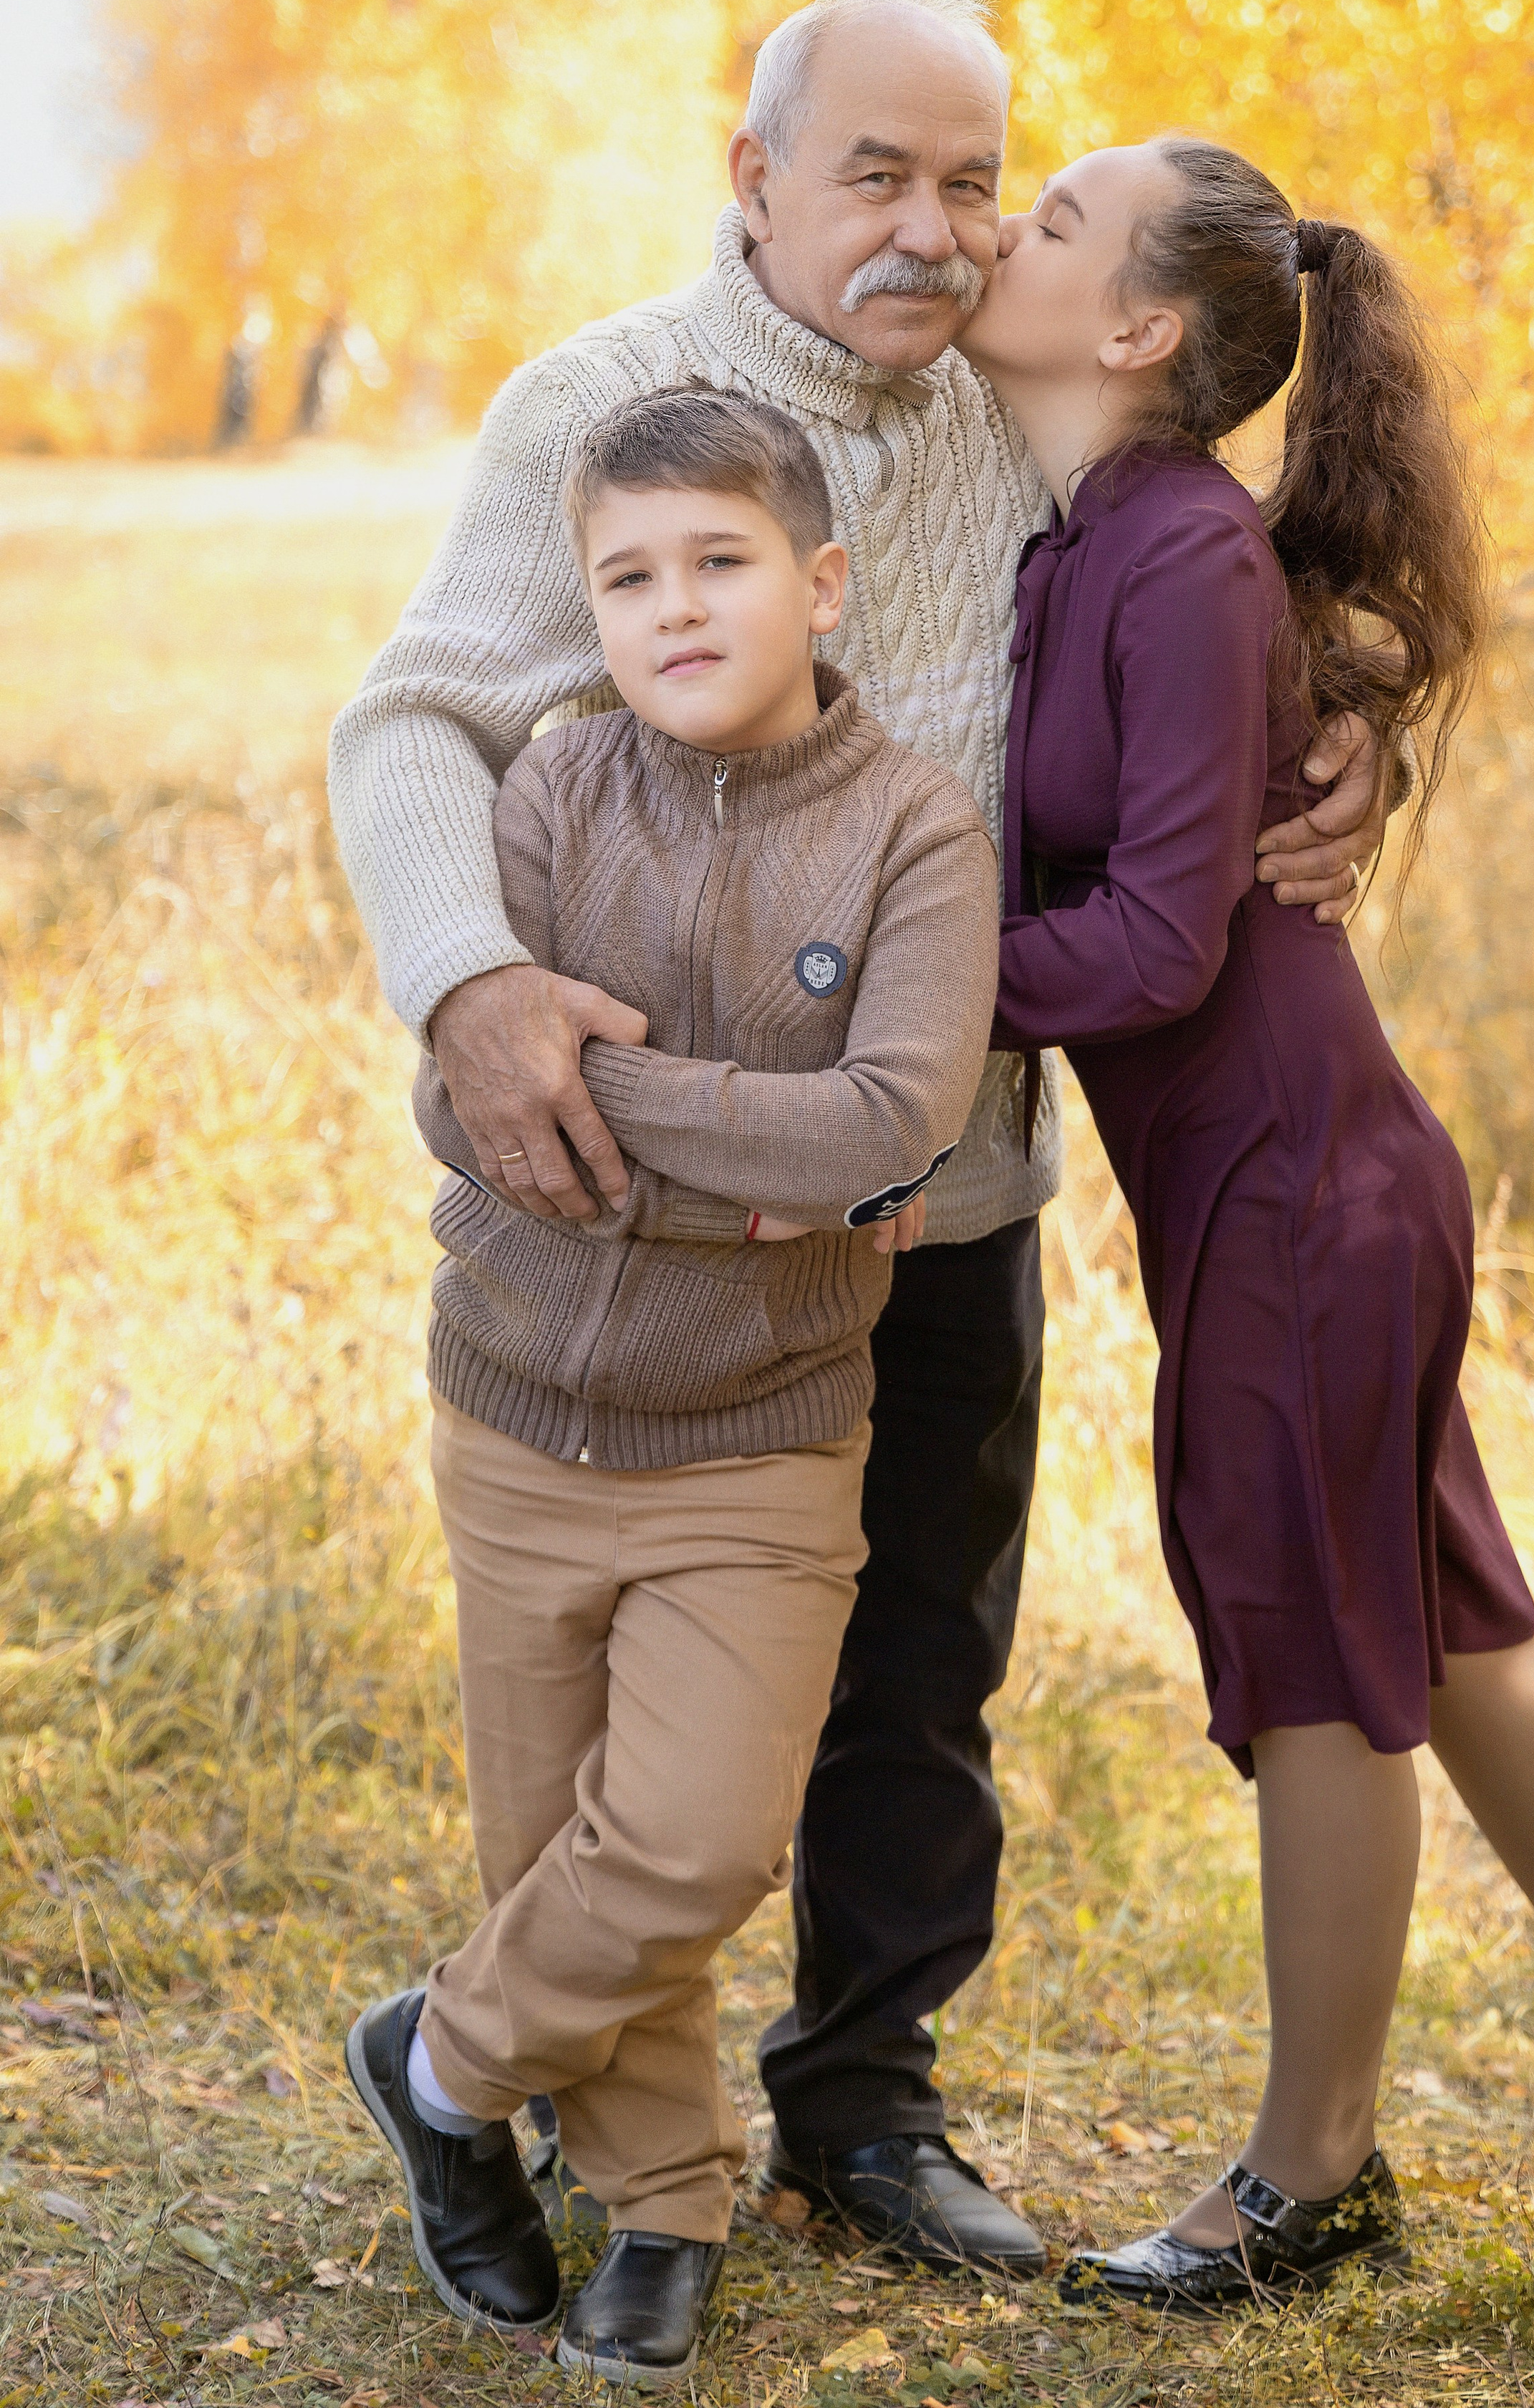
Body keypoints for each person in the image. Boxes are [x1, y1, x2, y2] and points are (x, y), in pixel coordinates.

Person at [328, 0, 1394, 2272]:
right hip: (668, 1215)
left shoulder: (1024, 406)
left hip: (948, 1180)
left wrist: (1353, 728)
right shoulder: (603, 408)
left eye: (976, 184)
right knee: (631, 1725)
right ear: (756, 177)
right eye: (878, 176)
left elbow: (1227, 595)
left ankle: (866, 2106)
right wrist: (474, 985)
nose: (935, 230)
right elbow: (414, 719)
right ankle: (605, 2127)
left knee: (919, 1670)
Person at [960, 136, 1534, 2307]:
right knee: (1444, 1611)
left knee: (1321, 1665)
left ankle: (1311, 2171)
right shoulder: (1099, 532)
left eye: (1054, 220)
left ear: (1140, 328)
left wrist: (895, 988)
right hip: (1294, 1174)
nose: (1006, 231)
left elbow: (1159, 943)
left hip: (1301, 1188)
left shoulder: (1172, 550)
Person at [344, 388, 999, 2382]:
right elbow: (462, 1113)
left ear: (822, 583)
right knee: (554, 1848)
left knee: (693, 1843)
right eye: (630, 578)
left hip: (757, 1440)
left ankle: (438, 2066)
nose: (677, 607)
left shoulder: (915, 831)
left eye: (720, 561)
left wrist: (599, 1087)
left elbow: (889, 1124)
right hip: (512, 1411)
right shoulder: (550, 795)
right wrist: (751, 1159)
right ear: (594, 613)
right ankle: (662, 2204)